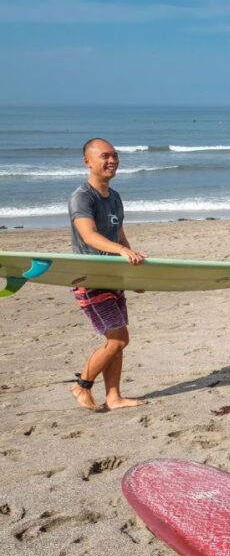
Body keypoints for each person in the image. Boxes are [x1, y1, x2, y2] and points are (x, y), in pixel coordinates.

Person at [68, 138, 147, 411]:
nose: (111, 160)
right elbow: (89, 236)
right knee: (118, 339)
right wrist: (121, 251)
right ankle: (82, 385)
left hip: (113, 278)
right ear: (87, 161)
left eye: (114, 155)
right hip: (91, 279)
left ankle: (113, 397)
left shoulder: (114, 197)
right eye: (104, 156)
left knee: (115, 341)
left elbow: (119, 235)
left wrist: (132, 269)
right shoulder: (82, 196)